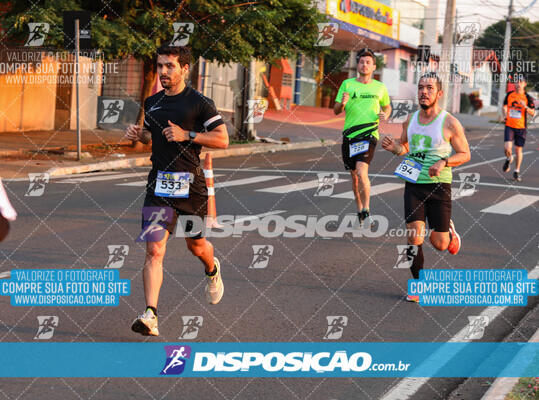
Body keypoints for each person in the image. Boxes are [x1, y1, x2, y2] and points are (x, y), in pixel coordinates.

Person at [125, 46, 229, 336]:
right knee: (154, 250)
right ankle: (151, 315)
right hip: (159, 185)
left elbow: (223, 139)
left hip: (191, 187)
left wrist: (189, 135)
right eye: (160, 66)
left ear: (185, 69)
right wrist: (139, 135)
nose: (163, 72)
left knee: (196, 246)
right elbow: (151, 135)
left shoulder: (200, 103)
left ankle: (212, 269)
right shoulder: (153, 101)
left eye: (170, 66)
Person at [382, 73, 470, 302]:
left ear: (439, 93)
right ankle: (417, 284)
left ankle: (448, 232)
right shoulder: (409, 120)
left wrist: (445, 161)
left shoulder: (449, 122)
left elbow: (465, 154)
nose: (424, 91)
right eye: (421, 87)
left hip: (439, 186)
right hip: (414, 184)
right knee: (414, 237)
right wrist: (395, 148)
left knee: (439, 244)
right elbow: (405, 149)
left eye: (430, 88)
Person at [334, 48, 391, 226]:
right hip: (350, 135)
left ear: (374, 66)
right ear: (357, 65)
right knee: (355, 177)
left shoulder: (380, 87)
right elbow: (335, 111)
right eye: (361, 62)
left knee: (361, 171)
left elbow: (387, 107)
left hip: (369, 135)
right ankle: (360, 209)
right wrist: (342, 104)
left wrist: (386, 115)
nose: (364, 64)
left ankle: (366, 210)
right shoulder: (347, 84)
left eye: (368, 62)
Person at [501, 76, 535, 181]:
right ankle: (509, 158)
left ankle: (516, 171)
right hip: (510, 125)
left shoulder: (528, 98)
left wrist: (525, 107)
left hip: (521, 127)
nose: (518, 84)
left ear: (524, 84)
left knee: (518, 149)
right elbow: (505, 106)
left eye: (520, 82)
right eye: (516, 82)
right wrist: (504, 113)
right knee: (507, 148)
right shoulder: (509, 95)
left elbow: (533, 113)